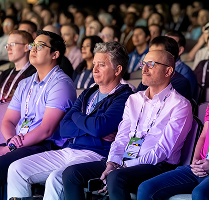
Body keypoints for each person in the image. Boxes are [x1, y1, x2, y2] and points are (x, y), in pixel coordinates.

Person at [61, 48, 193, 200]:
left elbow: (163, 151)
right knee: (71, 174)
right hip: (125, 160)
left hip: (157, 165)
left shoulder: (180, 104)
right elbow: (122, 137)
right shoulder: (134, 99)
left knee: (116, 177)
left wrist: (125, 166)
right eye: (143, 64)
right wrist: (112, 163)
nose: (144, 69)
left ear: (168, 71)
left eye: (151, 64)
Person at [7, 41, 133, 200]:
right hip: (69, 149)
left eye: (101, 64)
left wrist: (79, 118)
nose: (94, 69)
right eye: (94, 63)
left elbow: (99, 128)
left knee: (56, 178)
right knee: (16, 169)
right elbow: (64, 128)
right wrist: (91, 126)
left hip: (96, 154)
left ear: (118, 70)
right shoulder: (89, 92)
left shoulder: (125, 96)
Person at [137, 38, 209, 200]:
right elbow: (204, 135)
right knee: (146, 188)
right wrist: (196, 162)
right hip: (204, 165)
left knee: (200, 194)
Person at [0, 30, 76, 196]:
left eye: (40, 46)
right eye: (33, 45)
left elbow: (46, 129)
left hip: (45, 145)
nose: (33, 49)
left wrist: (11, 146)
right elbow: (8, 121)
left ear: (55, 54)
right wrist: (9, 141)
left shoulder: (61, 84)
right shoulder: (25, 83)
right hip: (20, 142)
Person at [137, 36, 192, 101]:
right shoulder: (148, 76)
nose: (144, 69)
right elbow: (136, 102)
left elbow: (165, 106)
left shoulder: (181, 83)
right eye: (150, 53)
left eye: (157, 54)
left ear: (170, 58)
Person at [0, 30, 36, 103]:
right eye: (7, 45)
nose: (8, 48)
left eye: (12, 44)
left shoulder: (35, 73)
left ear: (26, 47)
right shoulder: (5, 73)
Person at [165, 30, 198, 101]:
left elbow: (181, 101)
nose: (165, 47)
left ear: (180, 50)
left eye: (171, 44)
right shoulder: (156, 67)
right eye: (164, 43)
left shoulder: (185, 73)